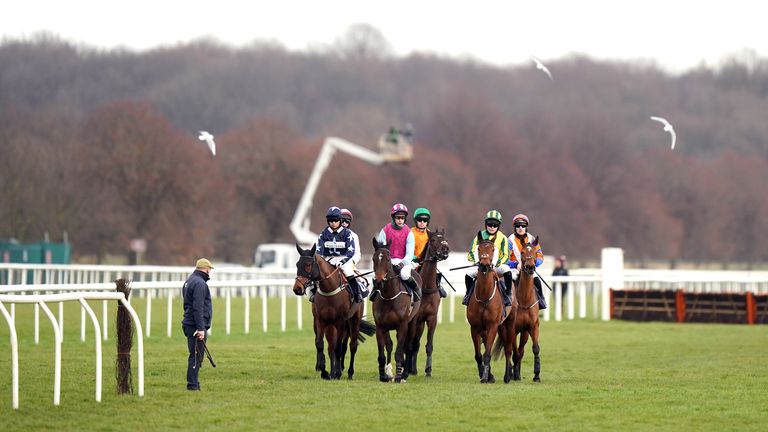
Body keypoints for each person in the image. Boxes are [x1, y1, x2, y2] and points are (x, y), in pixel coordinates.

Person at [463, 210, 514, 306]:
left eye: (495, 225)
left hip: (496, 266)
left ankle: (508, 294)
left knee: (507, 270)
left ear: (498, 226)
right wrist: (478, 261)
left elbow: (506, 256)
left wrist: (497, 263)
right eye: (490, 224)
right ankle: (468, 295)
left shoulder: (503, 238)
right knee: (468, 274)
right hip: (481, 265)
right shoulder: (479, 236)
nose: (492, 227)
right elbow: (471, 253)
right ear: (486, 224)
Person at [314, 206, 364, 303]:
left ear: (339, 220)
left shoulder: (348, 234)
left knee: (348, 272)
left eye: (335, 220)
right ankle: (313, 293)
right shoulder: (324, 233)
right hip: (328, 259)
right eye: (331, 220)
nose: (333, 223)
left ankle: (357, 294)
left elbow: (351, 251)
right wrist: (322, 261)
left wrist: (343, 261)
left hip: (344, 259)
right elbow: (319, 250)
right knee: (316, 274)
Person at [374, 203, 420, 300]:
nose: (400, 220)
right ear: (393, 218)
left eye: (402, 218)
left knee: (404, 274)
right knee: (379, 276)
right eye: (398, 217)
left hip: (403, 261)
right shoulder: (385, 230)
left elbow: (409, 254)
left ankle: (416, 291)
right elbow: (380, 250)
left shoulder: (409, 233)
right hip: (388, 260)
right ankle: (375, 291)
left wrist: (401, 264)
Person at [181, 258, 214, 391]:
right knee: (195, 355)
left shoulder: (189, 281)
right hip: (195, 326)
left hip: (189, 323)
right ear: (206, 269)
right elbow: (198, 307)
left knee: (196, 354)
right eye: (210, 269)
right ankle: (192, 385)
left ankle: (194, 383)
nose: (210, 272)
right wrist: (200, 328)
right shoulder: (200, 284)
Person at [507, 213, 547, 309]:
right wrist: (515, 264)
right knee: (510, 277)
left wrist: (534, 263)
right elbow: (504, 259)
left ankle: (541, 299)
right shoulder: (509, 240)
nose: (520, 228)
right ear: (515, 228)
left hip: (529, 267)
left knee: (536, 279)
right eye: (518, 226)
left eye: (523, 226)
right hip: (515, 268)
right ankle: (507, 299)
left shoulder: (532, 239)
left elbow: (540, 255)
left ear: (526, 227)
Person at [411, 207, 447, 298]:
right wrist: (414, 258)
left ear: (428, 222)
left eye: (425, 220)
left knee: (434, 272)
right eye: (420, 220)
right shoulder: (410, 233)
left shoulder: (430, 234)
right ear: (416, 221)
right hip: (413, 262)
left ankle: (438, 287)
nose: (422, 222)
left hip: (426, 261)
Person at [340, 208, 369, 298]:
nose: (344, 223)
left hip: (347, 264)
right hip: (333, 262)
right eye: (342, 221)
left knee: (362, 282)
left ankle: (357, 295)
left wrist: (350, 262)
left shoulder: (354, 236)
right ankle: (313, 294)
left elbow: (357, 254)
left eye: (347, 221)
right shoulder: (330, 234)